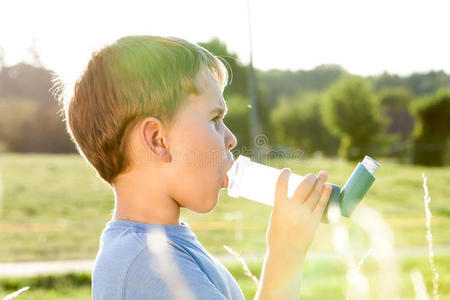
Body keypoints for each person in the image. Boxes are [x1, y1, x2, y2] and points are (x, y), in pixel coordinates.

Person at [54, 35, 332, 299]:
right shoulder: (148, 265)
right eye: (214, 119)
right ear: (158, 140)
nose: (231, 139)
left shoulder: (160, 249)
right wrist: (287, 254)